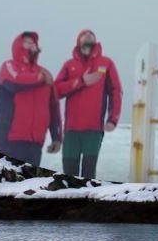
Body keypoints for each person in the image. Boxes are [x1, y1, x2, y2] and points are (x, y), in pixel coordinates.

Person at [52, 29, 122, 180]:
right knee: (69, 176)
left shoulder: (106, 63)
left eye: (91, 34)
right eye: (84, 34)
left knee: (88, 176)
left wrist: (113, 119)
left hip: (93, 129)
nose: (88, 34)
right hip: (71, 131)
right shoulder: (69, 65)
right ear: (78, 41)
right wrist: (81, 81)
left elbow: (116, 91)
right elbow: (55, 91)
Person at [0, 31, 58, 167]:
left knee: (28, 184)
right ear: (18, 45)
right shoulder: (9, 66)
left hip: (36, 143)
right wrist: (40, 78)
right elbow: (16, 82)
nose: (31, 44)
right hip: (10, 140)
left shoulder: (44, 72)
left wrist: (56, 137)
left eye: (33, 42)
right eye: (26, 42)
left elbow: (53, 107)